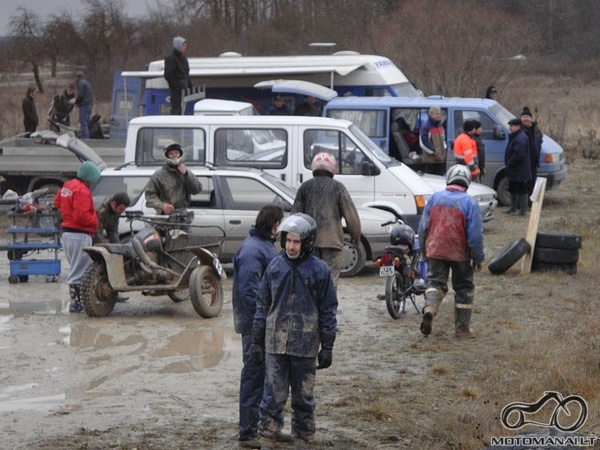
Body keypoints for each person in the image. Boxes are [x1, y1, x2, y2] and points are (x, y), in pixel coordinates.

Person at [251, 213, 338, 447]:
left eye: (296, 241)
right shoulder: (274, 267)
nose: (291, 246)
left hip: (306, 346)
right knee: (272, 396)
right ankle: (268, 437)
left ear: (307, 242)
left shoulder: (320, 271)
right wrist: (257, 341)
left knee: (304, 397)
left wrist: (328, 345)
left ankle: (302, 437)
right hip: (275, 344)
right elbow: (262, 305)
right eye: (288, 240)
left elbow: (329, 309)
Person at [232, 204, 284, 449]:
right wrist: (261, 325)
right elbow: (248, 292)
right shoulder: (254, 250)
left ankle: (263, 427)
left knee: (266, 379)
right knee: (253, 378)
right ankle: (247, 433)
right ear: (275, 225)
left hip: (263, 325)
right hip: (255, 327)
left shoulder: (262, 246)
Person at [417, 165, 484, 338]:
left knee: (435, 284)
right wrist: (477, 257)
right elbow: (475, 235)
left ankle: (430, 309)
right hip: (460, 254)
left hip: (436, 250)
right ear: (467, 182)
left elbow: (423, 228)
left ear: (449, 179)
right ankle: (462, 330)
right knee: (463, 289)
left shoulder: (434, 199)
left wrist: (424, 250)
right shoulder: (470, 203)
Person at [291, 152, 361, 288]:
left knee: (310, 278)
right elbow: (351, 216)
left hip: (309, 244)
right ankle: (328, 307)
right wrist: (355, 237)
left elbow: (295, 217)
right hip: (332, 243)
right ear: (332, 168)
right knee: (330, 279)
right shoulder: (338, 188)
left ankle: (312, 306)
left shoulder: (305, 188)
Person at [54, 161, 101, 313]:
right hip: (79, 233)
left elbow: (57, 202)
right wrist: (94, 221)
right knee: (80, 269)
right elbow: (81, 216)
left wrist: (67, 214)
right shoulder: (82, 191)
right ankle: (76, 303)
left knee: (76, 266)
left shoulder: (68, 185)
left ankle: (77, 302)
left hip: (67, 233)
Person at [145, 141, 202, 214]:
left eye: (176, 153)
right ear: (167, 156)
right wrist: (163, 206)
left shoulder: (186, 173)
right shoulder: (159, 175)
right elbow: (150, 195)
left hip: (182, 216)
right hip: (165, 217)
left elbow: (196, 190)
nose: (174, 155)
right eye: (171, 153)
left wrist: (186, 174)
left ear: (180, 154)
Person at [504, 118, 531, 216]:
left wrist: (510, 164)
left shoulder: (521, 138)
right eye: (510, 126)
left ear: (518, 126)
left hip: (519, 169)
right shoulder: (516, 136)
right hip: (515, 169)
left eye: (512, 126)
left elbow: (519, 155)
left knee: (521, 189)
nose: (510, 128)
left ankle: (522, 210)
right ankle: (513, 207)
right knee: (513, 188)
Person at [164, 36, 191, 115]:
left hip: (184, 88)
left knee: (183, 110)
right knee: (176, 110)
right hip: (176, 90)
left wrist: (189, 85)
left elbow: (186, 73)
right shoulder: (170, 58)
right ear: (178, 45)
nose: (185, 47)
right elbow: (168, 75)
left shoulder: (183, 58)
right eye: (183, 45)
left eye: (185, 45)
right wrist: (177, 85)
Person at [520, 106, 543, 197]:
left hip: (533, 160)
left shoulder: (536, 130)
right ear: (521, 118)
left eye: (527, 117)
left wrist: (538, 148)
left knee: (532, 182)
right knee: (523, 183)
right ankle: (522, 204)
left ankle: (531, 202)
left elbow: (540, 140)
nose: (525, 119)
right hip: (523, 161)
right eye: (524, 117)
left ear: (531, 118)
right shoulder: (519, 130)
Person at [419, 106, 447, 175]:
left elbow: (443, 138)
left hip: (440, 159)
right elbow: (423, 142)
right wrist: (434, 151)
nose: (439, 116)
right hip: (430, 161)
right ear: (431, 114)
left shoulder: (440, 124)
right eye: (437, 114)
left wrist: (444, 147)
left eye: (439, 114)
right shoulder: (426, 126)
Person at [70, 71, 93, 139]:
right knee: (87, 122)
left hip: (84, 105)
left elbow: (81, 95)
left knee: (83, 122)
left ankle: (85, 138)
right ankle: (88, 137)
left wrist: (76, 101)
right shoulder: (87, 83)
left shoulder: (80, 83)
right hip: (90, 105)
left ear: (77, 77)